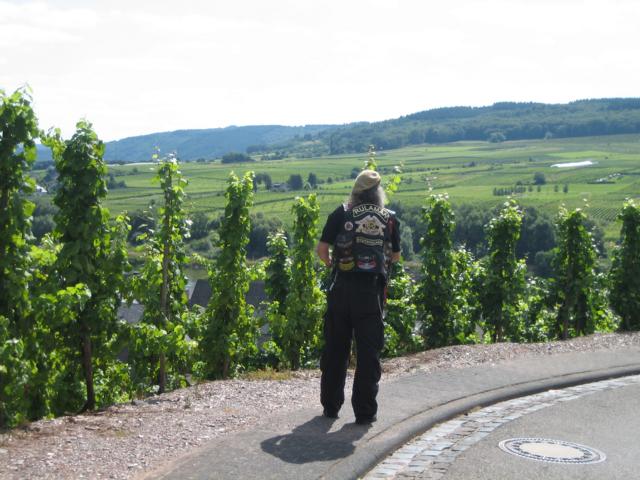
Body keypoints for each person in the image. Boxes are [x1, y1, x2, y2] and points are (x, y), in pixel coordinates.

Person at [316, 169, 401, 425]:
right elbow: (395, 256)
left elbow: (322, 250)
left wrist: (333, 264)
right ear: (378, 193)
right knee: (368, 353)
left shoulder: (340, 213)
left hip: (341, 289)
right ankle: (364, 412)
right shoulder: (389, 218)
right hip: (370, 293)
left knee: (335, 350)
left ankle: (331, 407)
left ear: (355, 191)